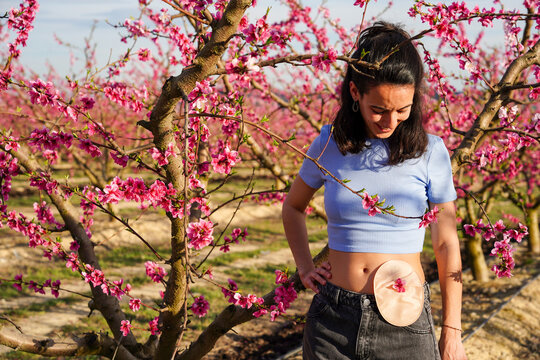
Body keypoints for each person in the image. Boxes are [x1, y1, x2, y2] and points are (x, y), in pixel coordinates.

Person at [282, 22, 467, 360]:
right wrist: (305, 267)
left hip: (405, 324)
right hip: (332, 321)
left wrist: (452, 331)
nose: (390, 120)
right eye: (379, 109)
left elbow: (445, 243)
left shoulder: (431, 152)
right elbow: (293, 207)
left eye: (402, 110)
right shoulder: (329, 143)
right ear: (356, 93)